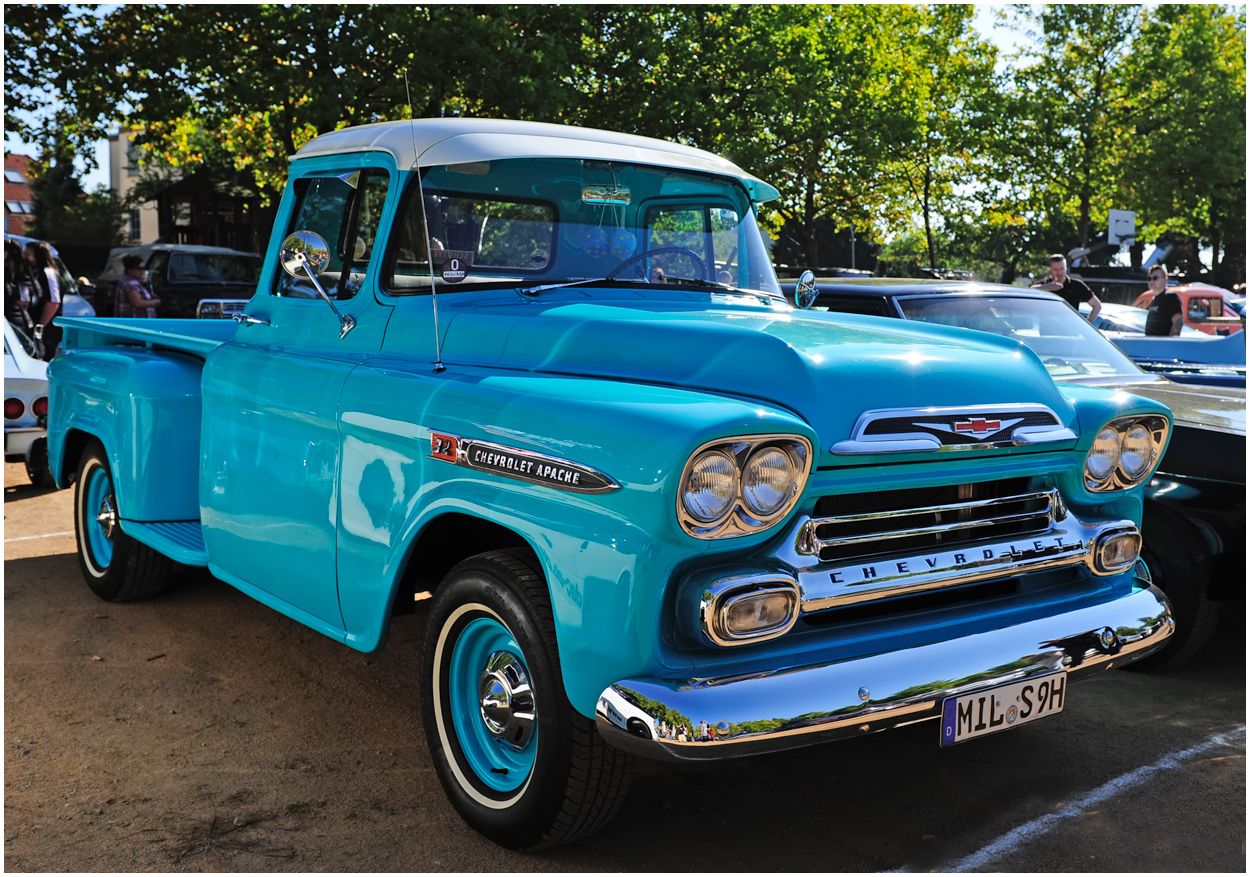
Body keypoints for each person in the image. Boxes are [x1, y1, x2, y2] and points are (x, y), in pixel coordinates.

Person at [1032, 254, 1101, 323]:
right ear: (1050, 270)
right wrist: (1047, 287)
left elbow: (1097, 306)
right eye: (1055, 269)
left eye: (1062, 268)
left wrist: (1087, 324)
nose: (1059, 272)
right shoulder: (1044, 284)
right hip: (1048, 329)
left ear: (1066, 268)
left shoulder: (1076, 285)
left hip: (1070, 330)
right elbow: (1028, 291)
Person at [25, 241, 63, 359]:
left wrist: (40, 326)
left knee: (43, 360)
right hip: (38, 328)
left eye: (28, 253)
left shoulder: (48, 273)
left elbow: (53, 301)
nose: (25, 256)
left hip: (47, 331)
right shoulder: (35, 272)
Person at [4, 239, 40, 351]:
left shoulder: (13, 272)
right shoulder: (23, 270)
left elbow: (22, 299)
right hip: (19, 319)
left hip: (13, 321)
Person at [1142, 265, 1183, 336]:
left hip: (1163, 343)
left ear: (1166, 279)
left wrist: (1170, 342)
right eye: (1149, 278)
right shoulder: (1154, 299)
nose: (1151, 281)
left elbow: (1178, 321)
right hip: (1151, 343)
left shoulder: (1170, 297)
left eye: (1155, 278)